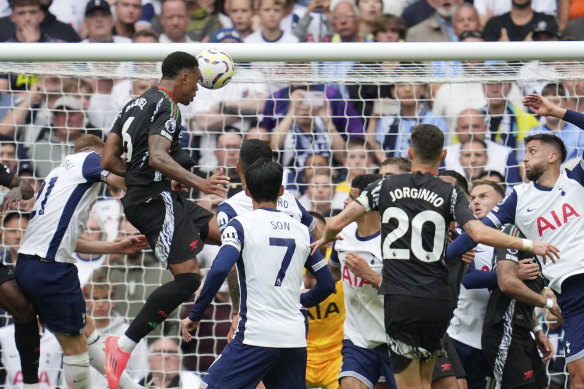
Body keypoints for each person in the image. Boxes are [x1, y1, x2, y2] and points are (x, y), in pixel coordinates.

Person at [311, 123, 559, 389]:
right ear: (443, 156)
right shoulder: (450, 193)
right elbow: (477, 232)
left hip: (402, 301)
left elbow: (338, 221)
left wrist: (325, 237)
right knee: (427, 383)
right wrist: (529, 244)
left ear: (410, 152)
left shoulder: (384, 187)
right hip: (436, 302)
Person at [101, 51, 229, 389]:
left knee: (231, 235)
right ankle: (123, 345)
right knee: (188, 279)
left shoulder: (133, 104)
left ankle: (243, 319)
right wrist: (199, 182)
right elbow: (157, 156)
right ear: (184, 77)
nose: (197, 91)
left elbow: (108, 158)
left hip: (160, 196)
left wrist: (144, 175)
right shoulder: (168, 106)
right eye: (197, 83)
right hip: (154, 201)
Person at [451, 93, 584, 388]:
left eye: (532, 151)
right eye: (524, 152)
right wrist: (442, 254)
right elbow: (477, 233)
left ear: (553, 156)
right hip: (571, 299)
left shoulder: (576, 178)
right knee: (578, 378)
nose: (524, 157)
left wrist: (557, 111)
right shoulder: (518, 198)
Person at [181, 158, 335, 388]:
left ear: (247, 191)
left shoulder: (240, 225)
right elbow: (327, 285)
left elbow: (220, 269)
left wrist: (195, 314)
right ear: (281, 191)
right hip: (294, 339)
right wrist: (300, 300)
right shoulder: (303, 231)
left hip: (255, 336)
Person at [14, 134, 149, 389]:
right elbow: (124, 182)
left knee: (86, 330)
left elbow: (69, 239)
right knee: (75, 348)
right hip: (50, 269)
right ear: (100, 153)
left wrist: (114, 247)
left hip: (31, 263)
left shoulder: (60, 174)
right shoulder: (88, 160)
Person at [215, 139, 318, 341]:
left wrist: (236, 312)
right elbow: (318, 240)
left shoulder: (229, 209)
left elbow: (231, 266)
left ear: (238, 167)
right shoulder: (291, 201)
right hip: (293, 310)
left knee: (232, 373)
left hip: (255, 315)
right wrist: (309, 280)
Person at [329, 173, 397, 389]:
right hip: (357, 339)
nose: (346, 202)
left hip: (397, 341)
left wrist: (371, 276)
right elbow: (332, 273)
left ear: (368, 202)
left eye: (352, 197)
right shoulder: (343, 235)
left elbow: (408, 294)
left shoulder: (395, 241)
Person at [482, 224, 556, 389]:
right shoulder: (511, 230)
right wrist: (548, 303)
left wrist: (538, 331)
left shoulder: (542, 242)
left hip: (524, 333)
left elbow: (523, 297)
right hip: (502, 332)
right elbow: (507, 284)